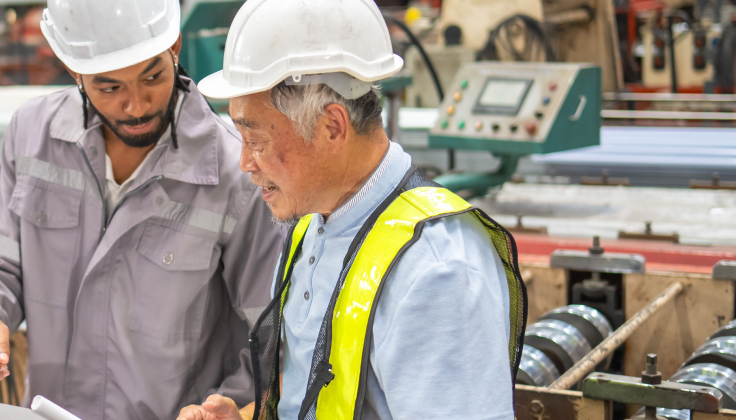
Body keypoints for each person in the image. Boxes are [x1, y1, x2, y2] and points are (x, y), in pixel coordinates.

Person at [177, 0, 529, 419]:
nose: (245, 163)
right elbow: (313, 395)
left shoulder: (436, 271)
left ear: (332, 126)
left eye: (256, 142)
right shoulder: (312, 228)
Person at [0, 0, 282, 419]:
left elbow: (270, 336)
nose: (136, 105)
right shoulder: (31, 136)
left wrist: (229, 408)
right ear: (75, 72)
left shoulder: (235, 175)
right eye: (109, 88)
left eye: (152, 77)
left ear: (174, 46)